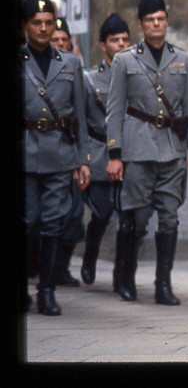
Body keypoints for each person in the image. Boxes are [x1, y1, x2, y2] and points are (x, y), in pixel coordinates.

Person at [105, 0, 188, 305]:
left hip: (172, 150)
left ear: (167, 21)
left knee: (170, 217)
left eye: (161, 18)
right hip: (138, 147)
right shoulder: (125, 60)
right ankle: (127, 276)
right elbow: (115, 109)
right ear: (141, 24)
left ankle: (164, 284)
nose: (156, 24)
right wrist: (115, 154)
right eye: (150, 20)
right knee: (136, 219)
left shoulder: (183, 59)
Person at [21, 0, 91, 315]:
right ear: (25, 26)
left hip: (60, 153)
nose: (44, 28)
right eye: (37, 23)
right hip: (26, 151)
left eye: (49, 22)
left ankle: (46, 290)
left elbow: (79, 115)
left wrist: (82, 159)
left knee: (52, 223)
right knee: (28, 221)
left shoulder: (71, 63)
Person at [79, 13, 131, 287]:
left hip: (129, 154)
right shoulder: (89, 80)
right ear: (103, 45)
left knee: (127, 218)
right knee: (101, 213)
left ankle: (121, 274)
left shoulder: (138, 75)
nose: (121, 44)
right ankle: (90, 254)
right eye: (115, 40)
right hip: (100, 153)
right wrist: (84, 159)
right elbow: (83, 123)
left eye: (125, 39)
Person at [49, 17, 85, 288]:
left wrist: (82, 158)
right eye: (56, 41)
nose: (61, 45)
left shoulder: (75, 70)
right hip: (38, 151)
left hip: (67, 150)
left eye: (65, 41)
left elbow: (81, 116)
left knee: (72, 215)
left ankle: (60, 268)